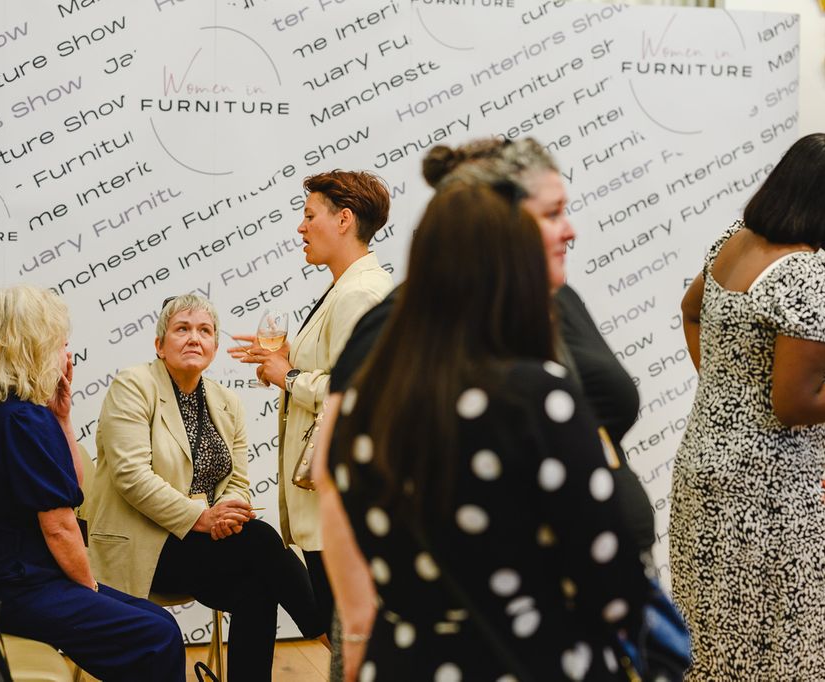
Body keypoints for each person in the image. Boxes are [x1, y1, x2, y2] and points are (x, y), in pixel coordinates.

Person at [319, 181, 649, 681]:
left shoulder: (368, 404)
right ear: (513, 264)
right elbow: (611, 578)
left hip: (406, 661)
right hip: (526, 660)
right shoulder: (540, 397)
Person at [670, 133, 825, 679]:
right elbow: (797, 405)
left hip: (702, 471)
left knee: (712, 642)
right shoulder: (807, 275)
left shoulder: (733, 244)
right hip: (769, 496)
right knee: (778, 649)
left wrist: (726, 389)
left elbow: (691, 311)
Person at [88, 294, 321, 680]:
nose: (194, 338)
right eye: (182, 329)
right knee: (263, 541)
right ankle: (329, 635)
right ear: (160, 345)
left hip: (200, 544)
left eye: (205, 331)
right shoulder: (133, 385)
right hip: (143, 544)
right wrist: (203, 518)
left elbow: (238, 481)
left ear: (214, 346)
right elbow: (131, 476)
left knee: (257, 586)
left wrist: (226, 514)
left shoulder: (227, 401)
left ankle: (325, 635)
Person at [0, 285, 185, 681]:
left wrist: (62, 416)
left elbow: (73, 486)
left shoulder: (7, 411)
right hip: (20, 584)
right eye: (60, 342)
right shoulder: (23, 420)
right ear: (32, 344)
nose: (66, 352)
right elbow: (60, 527)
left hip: (16, 577)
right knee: (157, 634)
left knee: (156, 621)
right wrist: (90, 590)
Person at [229, 170, 394, 639]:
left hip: (338, 501)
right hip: (333, 500)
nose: (301, 227)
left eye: (309, 216)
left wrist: (287, 375)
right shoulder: (349, 287)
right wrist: (287, 361)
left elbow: (361, 391)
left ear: (344, 220)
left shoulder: (359, 293)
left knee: (349, 637)